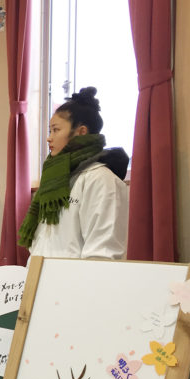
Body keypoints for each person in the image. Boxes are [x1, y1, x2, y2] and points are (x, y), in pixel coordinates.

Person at [18, 87, 129, 259]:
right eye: (50, 131)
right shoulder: (53, 179)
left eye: (55, 130)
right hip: (42, 279)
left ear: (81, 131)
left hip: (75, 283)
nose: (49, 137)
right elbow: (42, 242)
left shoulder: (101, 179)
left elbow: (102, 254)